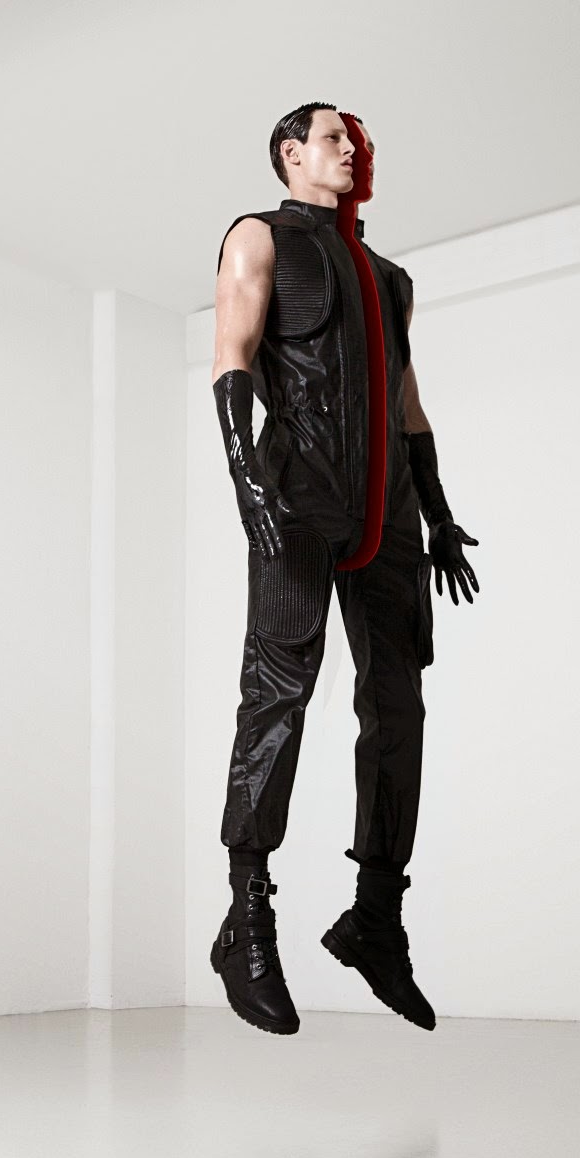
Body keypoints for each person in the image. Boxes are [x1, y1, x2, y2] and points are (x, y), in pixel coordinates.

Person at [210, 102, 479, 1036]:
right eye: (334, 138)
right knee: (277, 695)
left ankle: (376, 919)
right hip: (299, 497)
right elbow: (233, 357)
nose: (351, 149)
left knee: (398, 708)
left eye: (356, 140)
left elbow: (406, 404)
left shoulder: (391, 280)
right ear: (292, 155)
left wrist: (438, 514)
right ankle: (246, 918)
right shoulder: (260, 238)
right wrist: (247, 480)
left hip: (389, 512)